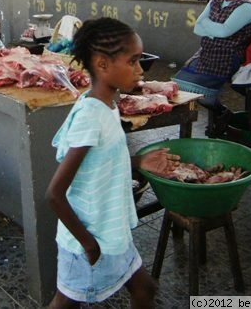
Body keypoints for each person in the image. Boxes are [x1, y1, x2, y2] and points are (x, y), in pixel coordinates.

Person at [46, 17, 180, 308]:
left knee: (145, 289)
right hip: (90, 239)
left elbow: (101, 159)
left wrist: (139, 160)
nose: (140, 70)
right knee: (66, 303)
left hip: (110, 230)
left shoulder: (107, 105)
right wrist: (89, 244)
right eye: (132, 62)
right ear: (102, 64)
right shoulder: (92, 115)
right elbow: (54, 194)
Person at [172, 0, 251, 133]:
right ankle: (221, 114)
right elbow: (198, 26)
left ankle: (223, 113)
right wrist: (215, 30)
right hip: (206, 53)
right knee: (178, 84)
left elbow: (225, 32)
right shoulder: (216, 1)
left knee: (198, 92)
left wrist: (209, 28)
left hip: (227, 56)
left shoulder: (245, 7)